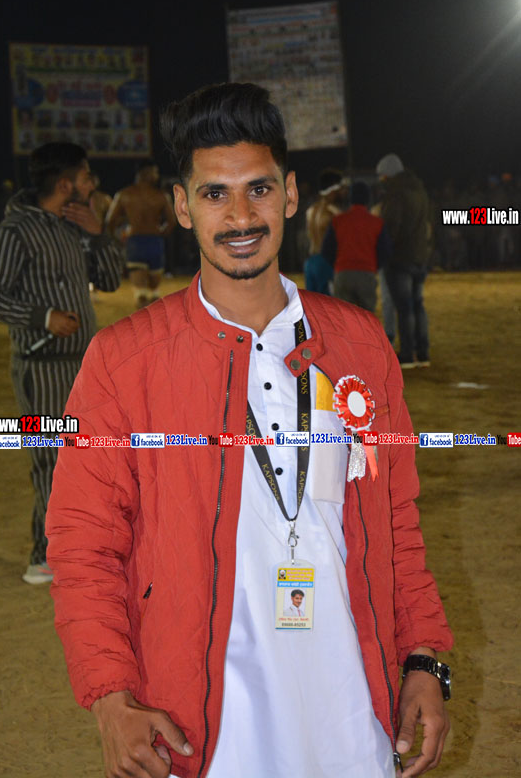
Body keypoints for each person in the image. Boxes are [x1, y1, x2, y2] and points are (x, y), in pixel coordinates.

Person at [47, 84, 453, 778]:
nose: (240, 216)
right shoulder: (123, 361)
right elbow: (83, 542)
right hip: (204, 728)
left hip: (350, 712)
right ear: (182, 207)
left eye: (259, 189)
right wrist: (111, 697)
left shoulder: (360, 344)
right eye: (215, 194)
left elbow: (398, 520)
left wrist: (423, 658)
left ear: (290, 195)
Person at [0, 142, 122, 584]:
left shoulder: (75, 226)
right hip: (40, 366)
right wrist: (43, 317)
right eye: (86, 177)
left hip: (84, 366)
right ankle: (43, 556)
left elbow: (109, 280)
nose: (92, 184)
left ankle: (77, 546)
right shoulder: (14, 231)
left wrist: (98, 233)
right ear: (65, 184)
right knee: (51, 458)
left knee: (87, 458)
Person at [376, 154, 433, 368]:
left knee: (404, 307)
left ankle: (408, 354)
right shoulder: (420, 191)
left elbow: (391, 227)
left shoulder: (396, 194)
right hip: (420, 256)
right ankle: (423, 352)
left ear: (389, 175)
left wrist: (384, 251)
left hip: (400, 257)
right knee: (418, 304)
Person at [106, 160, 177, 308]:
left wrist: (116, 240)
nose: (157, 175)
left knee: (141, 294)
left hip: (135, 242)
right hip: (155, 242)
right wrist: (160, 234)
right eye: (155, 172)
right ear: (146, 173)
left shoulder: (124, 194)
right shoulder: (161, 196)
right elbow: (171, 222)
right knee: (154, 292)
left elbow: (110, 221)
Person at [321, 181, 391, 311]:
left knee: (344, 317)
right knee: (366, 317)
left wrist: (338, 265)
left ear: (350, 199)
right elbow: (385, 251)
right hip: (366, 273)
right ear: (368, 199)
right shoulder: (377, 223)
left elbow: (326, 250)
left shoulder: (338, 221)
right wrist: (374, 266)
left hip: (343, 273)